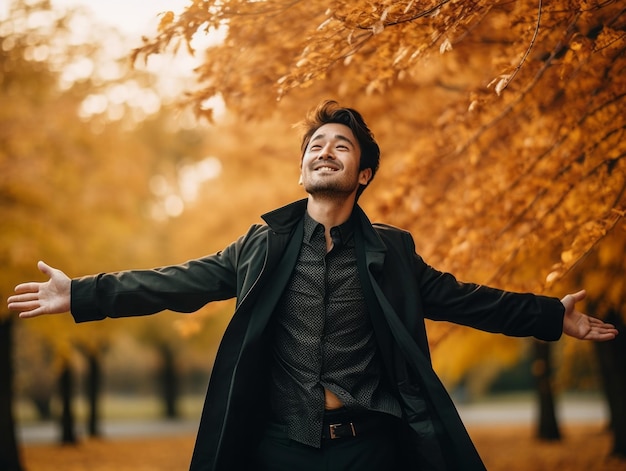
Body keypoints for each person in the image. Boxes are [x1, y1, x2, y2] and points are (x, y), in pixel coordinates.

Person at [7, 100, 618, 471]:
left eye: (341, 146)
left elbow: (463, 298)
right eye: (315, 146)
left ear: (364, 173)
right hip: (278, 449)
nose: (325, 152)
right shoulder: (262, 246)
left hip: (371, 450)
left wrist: (548, 316)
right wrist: (81, 293)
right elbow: (178, 283)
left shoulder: (393, 252)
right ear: (303, 168)